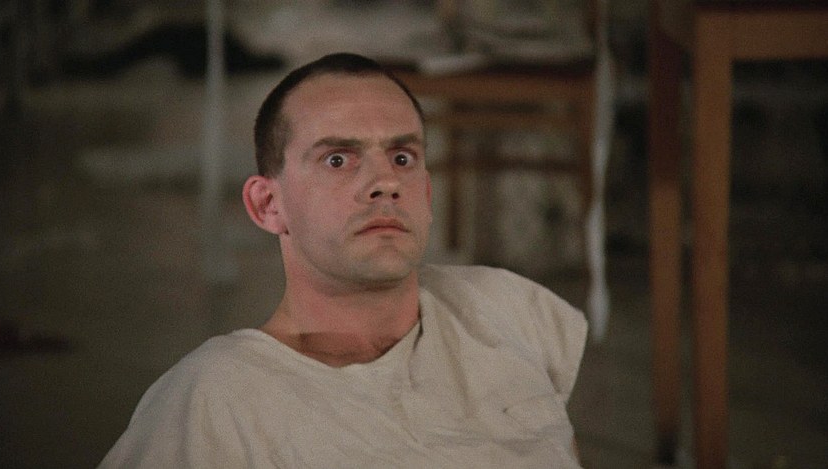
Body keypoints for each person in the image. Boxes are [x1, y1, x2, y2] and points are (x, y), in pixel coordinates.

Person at [99, 52, 588, 468]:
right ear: (268, 205)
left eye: (402, 158)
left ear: (426, 192)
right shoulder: (217, 399)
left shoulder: (502, 309)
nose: (386, 182)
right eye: (337, 159)